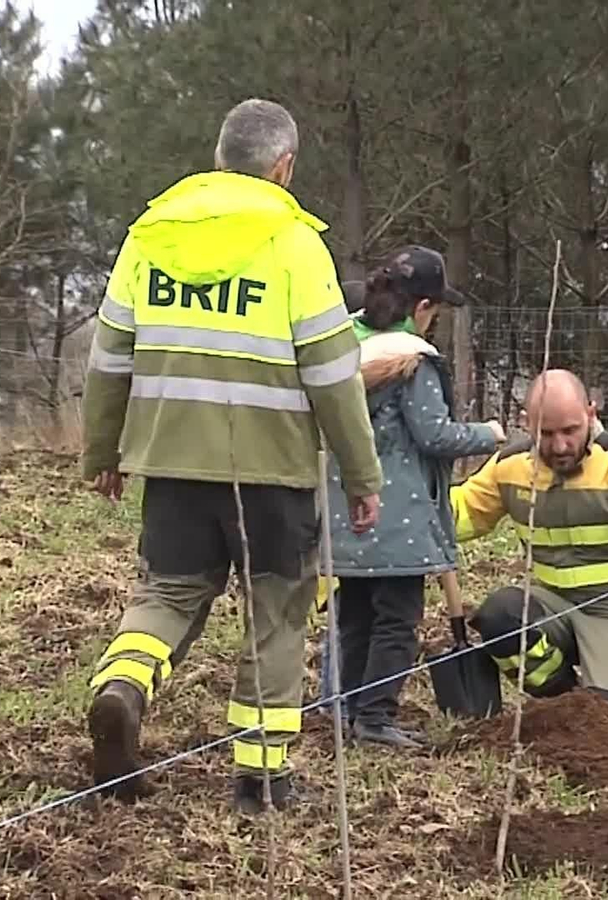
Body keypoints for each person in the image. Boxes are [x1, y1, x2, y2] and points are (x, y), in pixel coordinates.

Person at [78, 97, 384, 815]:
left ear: (219, 158)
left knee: (167, 596)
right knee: (275, 613)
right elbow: (334, 374)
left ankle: (120, 688)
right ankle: (262, 779)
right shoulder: (295, 242)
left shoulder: (151, 235)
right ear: (284, 166)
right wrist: (362, 475)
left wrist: (105, 450)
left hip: (173, 465)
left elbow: (109, 354)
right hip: (272, 474)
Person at [319, 246, 505, 749]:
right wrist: (488, 433)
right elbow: (434, 435)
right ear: (422, 308)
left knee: (355, 614)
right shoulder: (412, 361)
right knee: (396, 622)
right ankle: (375, 718)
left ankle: (346, 709)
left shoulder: (339, 352)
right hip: (397, 519)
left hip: (344, 509)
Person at [451, 370, 608, 720]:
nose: (560, 446)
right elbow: (462, 512)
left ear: (591, 414)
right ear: (526, 423)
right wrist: (414, 507)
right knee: (500, 616)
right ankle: (565, 703)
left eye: (570, 431)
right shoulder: (509, 468)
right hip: (556, 604)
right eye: (546, 434)